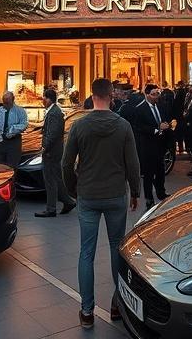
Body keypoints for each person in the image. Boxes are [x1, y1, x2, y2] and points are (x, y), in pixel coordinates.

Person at [62, 77, 141, 329]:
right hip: (116, 194)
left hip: (88, 194)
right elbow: (133, 162)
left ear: (92, 95)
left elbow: (66, 163)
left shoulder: (79, 126)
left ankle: (86, 311)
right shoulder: (123, 126)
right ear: (112, 96)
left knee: (86, 252)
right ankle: (118, 304)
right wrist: (135, 191)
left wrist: (73, 188)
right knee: (117, 247)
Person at [36, 88, 75, 217]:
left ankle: (51, 208)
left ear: (48, 99)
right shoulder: (54, 111)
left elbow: (52, 134)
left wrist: (44, 148)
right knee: (57, 178)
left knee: (50, 180)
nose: (42, 101)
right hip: (54, 151)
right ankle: (68, 201)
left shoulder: (54, 113)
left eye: (44, 98)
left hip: (51, 152)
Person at [133, 84, 171, 209]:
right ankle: (149, 198)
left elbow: (164, 119)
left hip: (161, 144)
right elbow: (139, 127)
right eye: (154, 94)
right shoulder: (140, 109)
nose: (156, 97)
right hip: (147, 146)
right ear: (147, 95)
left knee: (161, 171)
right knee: (148, 174)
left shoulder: (161, 105)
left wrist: (167, 125)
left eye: (158, 94)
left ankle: (161, 192)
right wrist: (156, 129)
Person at [0, 91, 28, 167]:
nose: (6, 105)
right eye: (4, 103)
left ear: (13, 100)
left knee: (12, 166)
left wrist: (12, 130)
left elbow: (24, 124)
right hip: (0, 141)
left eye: (8, 103)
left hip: (14, 142)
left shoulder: (20, 111)